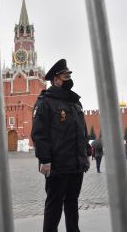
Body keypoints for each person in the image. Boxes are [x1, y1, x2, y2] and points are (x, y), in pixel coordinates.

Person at [31, 59, 91, 232]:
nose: (69, 78)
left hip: (76, 163)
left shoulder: (74, 102)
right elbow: (39, 134)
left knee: (72, 203)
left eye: (69, 75)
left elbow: (82, 131)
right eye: (66, 75)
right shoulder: (46, 102)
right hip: (57, 164)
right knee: (54, 204)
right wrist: (45, 160)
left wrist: (86, 152)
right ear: (56, 79)